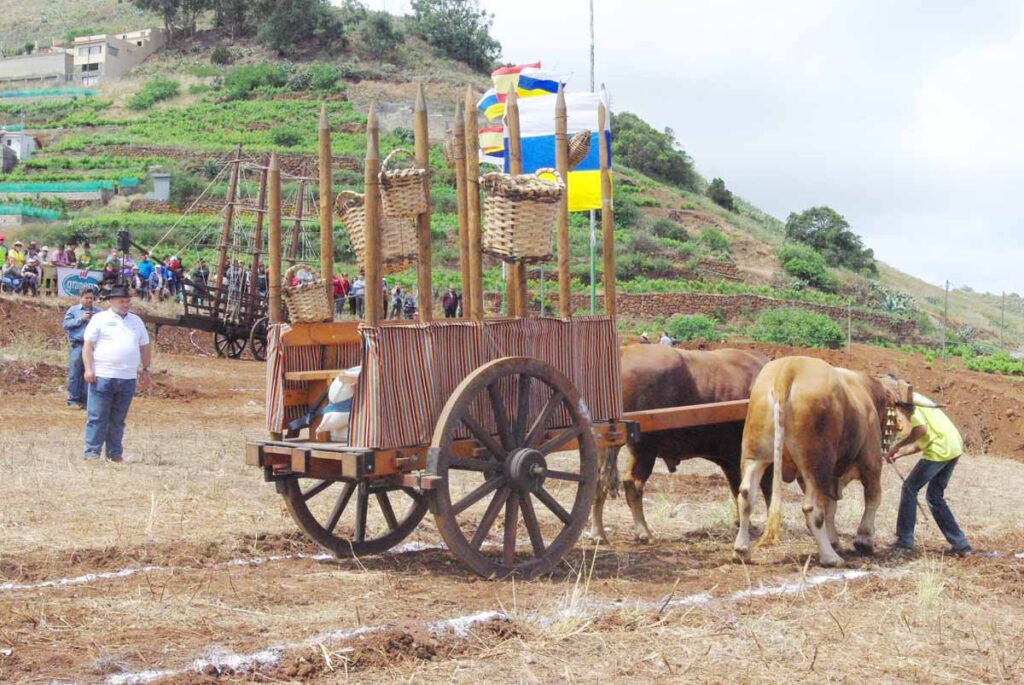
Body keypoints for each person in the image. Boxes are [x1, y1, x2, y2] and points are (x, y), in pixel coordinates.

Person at [887, 388, 972, 556]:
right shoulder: (921, 400)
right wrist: (899, 454)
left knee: (909, 488)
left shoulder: (909, 403)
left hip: (940, 450)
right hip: (953, 446)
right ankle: (960, 544)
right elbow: (923, 441)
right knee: (934, 496)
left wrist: (897, 445)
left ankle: (905, 541)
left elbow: (921, 431)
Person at [82, 284, 151, 462]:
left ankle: (114, 454)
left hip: (127, 378)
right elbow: (88, 346)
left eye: (128, 301)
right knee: (97, 416)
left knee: (118, 419)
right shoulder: (99, 319)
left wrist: (145, 369)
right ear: (111, 301)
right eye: (122, 301)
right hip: (102, 376)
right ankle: (91, 453)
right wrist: (89, 369)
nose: (126, 304)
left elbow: (144, 346)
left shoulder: (136, 321)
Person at [62, 287, 98, 409]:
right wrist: (80, 319)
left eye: (91, 298)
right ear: (81, 298)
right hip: (77, 344)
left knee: (88, 372)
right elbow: (65, 325)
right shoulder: (73, 310)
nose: (89, 300)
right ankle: (73, 400)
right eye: (87, 298)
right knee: (74, 373)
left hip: (93, 347)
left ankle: (86, 401)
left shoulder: (98, 312)